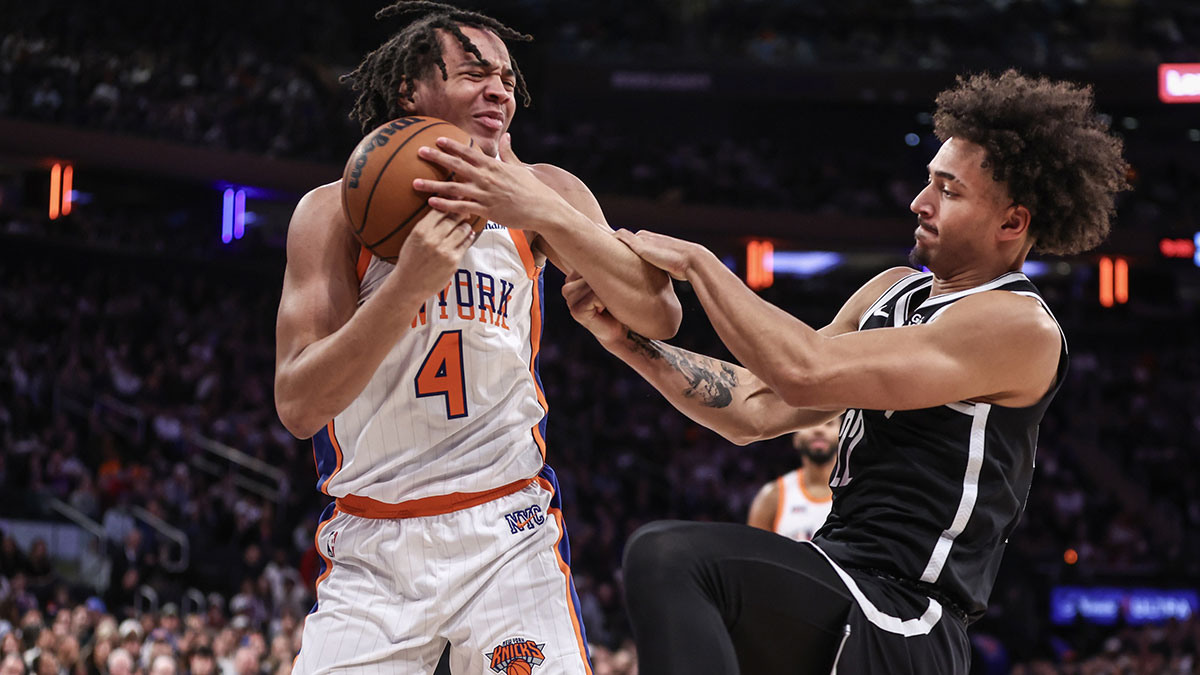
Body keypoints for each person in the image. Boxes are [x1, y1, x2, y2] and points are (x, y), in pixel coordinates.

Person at [556, 70, 1128, 674]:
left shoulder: (1019, 327)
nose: (919, 203)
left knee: (670, 556)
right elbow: (758, 408)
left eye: (949, 192)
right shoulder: (891, 291)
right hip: (842, 580)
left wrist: (701, 265)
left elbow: (804, 369)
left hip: (907, 614)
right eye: (928, 182)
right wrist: (630, 343)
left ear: (1012, 223)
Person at [273, 2, 680, 674]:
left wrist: (537, 207)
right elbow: (298, 405)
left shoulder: (550, 191)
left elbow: (658, 313)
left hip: (506, 528)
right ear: (411, 90)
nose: (499, 89)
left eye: (508, 80)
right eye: (473, 73)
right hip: (375, 541)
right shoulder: (332, 212)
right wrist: (406, 288)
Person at [746, 417, 839, 541]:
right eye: (810, 423)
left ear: (842, 435)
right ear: (795, 439)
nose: (819, 429)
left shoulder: (858, 491)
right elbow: (754, 554)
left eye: (829, 423)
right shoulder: (772, 496)